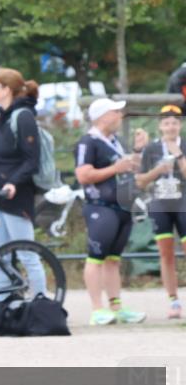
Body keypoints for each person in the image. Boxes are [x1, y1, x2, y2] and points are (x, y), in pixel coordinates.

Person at [75, 98, 146, 326]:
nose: (120, 116)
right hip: (100, 206)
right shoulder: (89, 142)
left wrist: (137, 150)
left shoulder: (116, 141)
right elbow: (83, 175)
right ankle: (97, 309)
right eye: (116, 112)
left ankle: (117, 306)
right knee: (96, 257)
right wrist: (114, 169)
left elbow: (130, 167)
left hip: (122, 206)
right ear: (103, 115)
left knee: (113, 259)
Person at [0, 68, 48, 300]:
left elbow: (32, 160)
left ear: (7, 90)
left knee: (26, 252)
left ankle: (41, 301)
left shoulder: (23, 117)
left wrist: (13, 183)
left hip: (16, 195)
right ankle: (4, 305)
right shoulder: (0, 116)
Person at [136, 104, 186, 320]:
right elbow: (140, 181)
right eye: (166, 123)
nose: (171, 127)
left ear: (180, 125)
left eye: (174, 122)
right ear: (160, 126)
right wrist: (157, 170)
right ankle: (173, 300)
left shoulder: (184, 145)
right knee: (166, 254)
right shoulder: (152, 149)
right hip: (161, 204)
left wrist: (179, 155)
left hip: (183, 202)